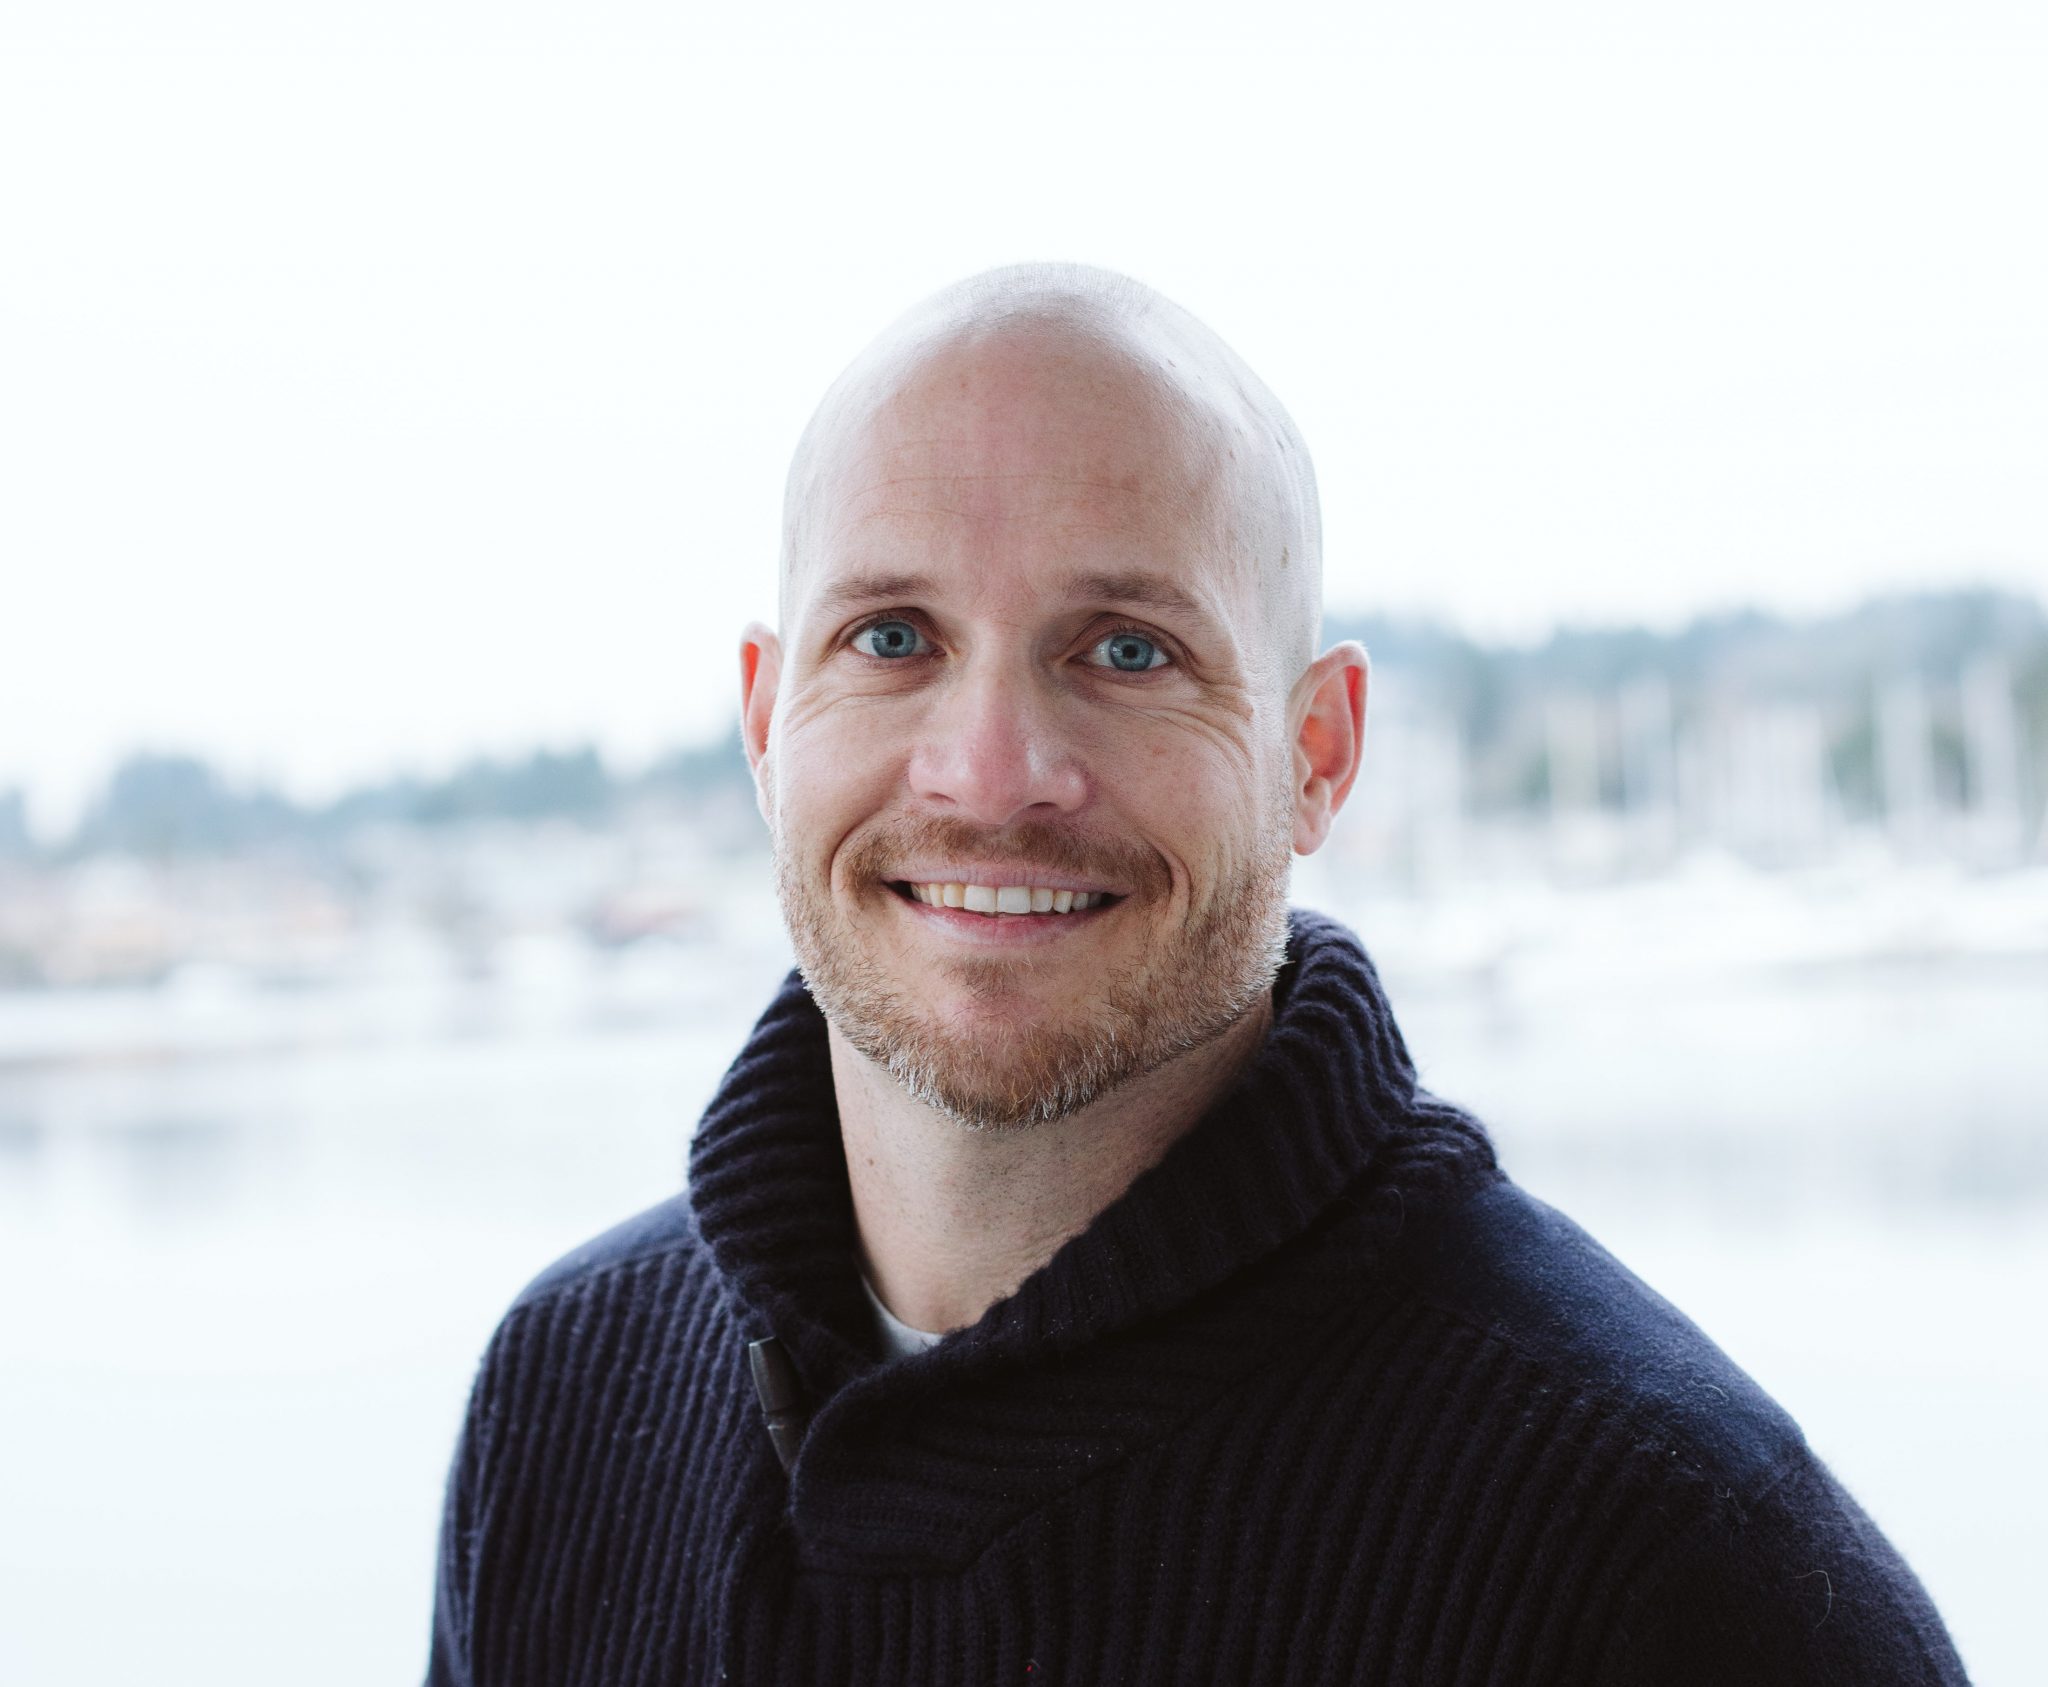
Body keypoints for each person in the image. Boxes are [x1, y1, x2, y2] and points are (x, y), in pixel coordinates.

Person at [425, 263, 1968, 1685]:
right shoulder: (566, 1397)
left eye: (1126, 650)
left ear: (1318, 753)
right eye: (891, 638)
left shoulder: (1671, 1562)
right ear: (768, 726)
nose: (992, 774)